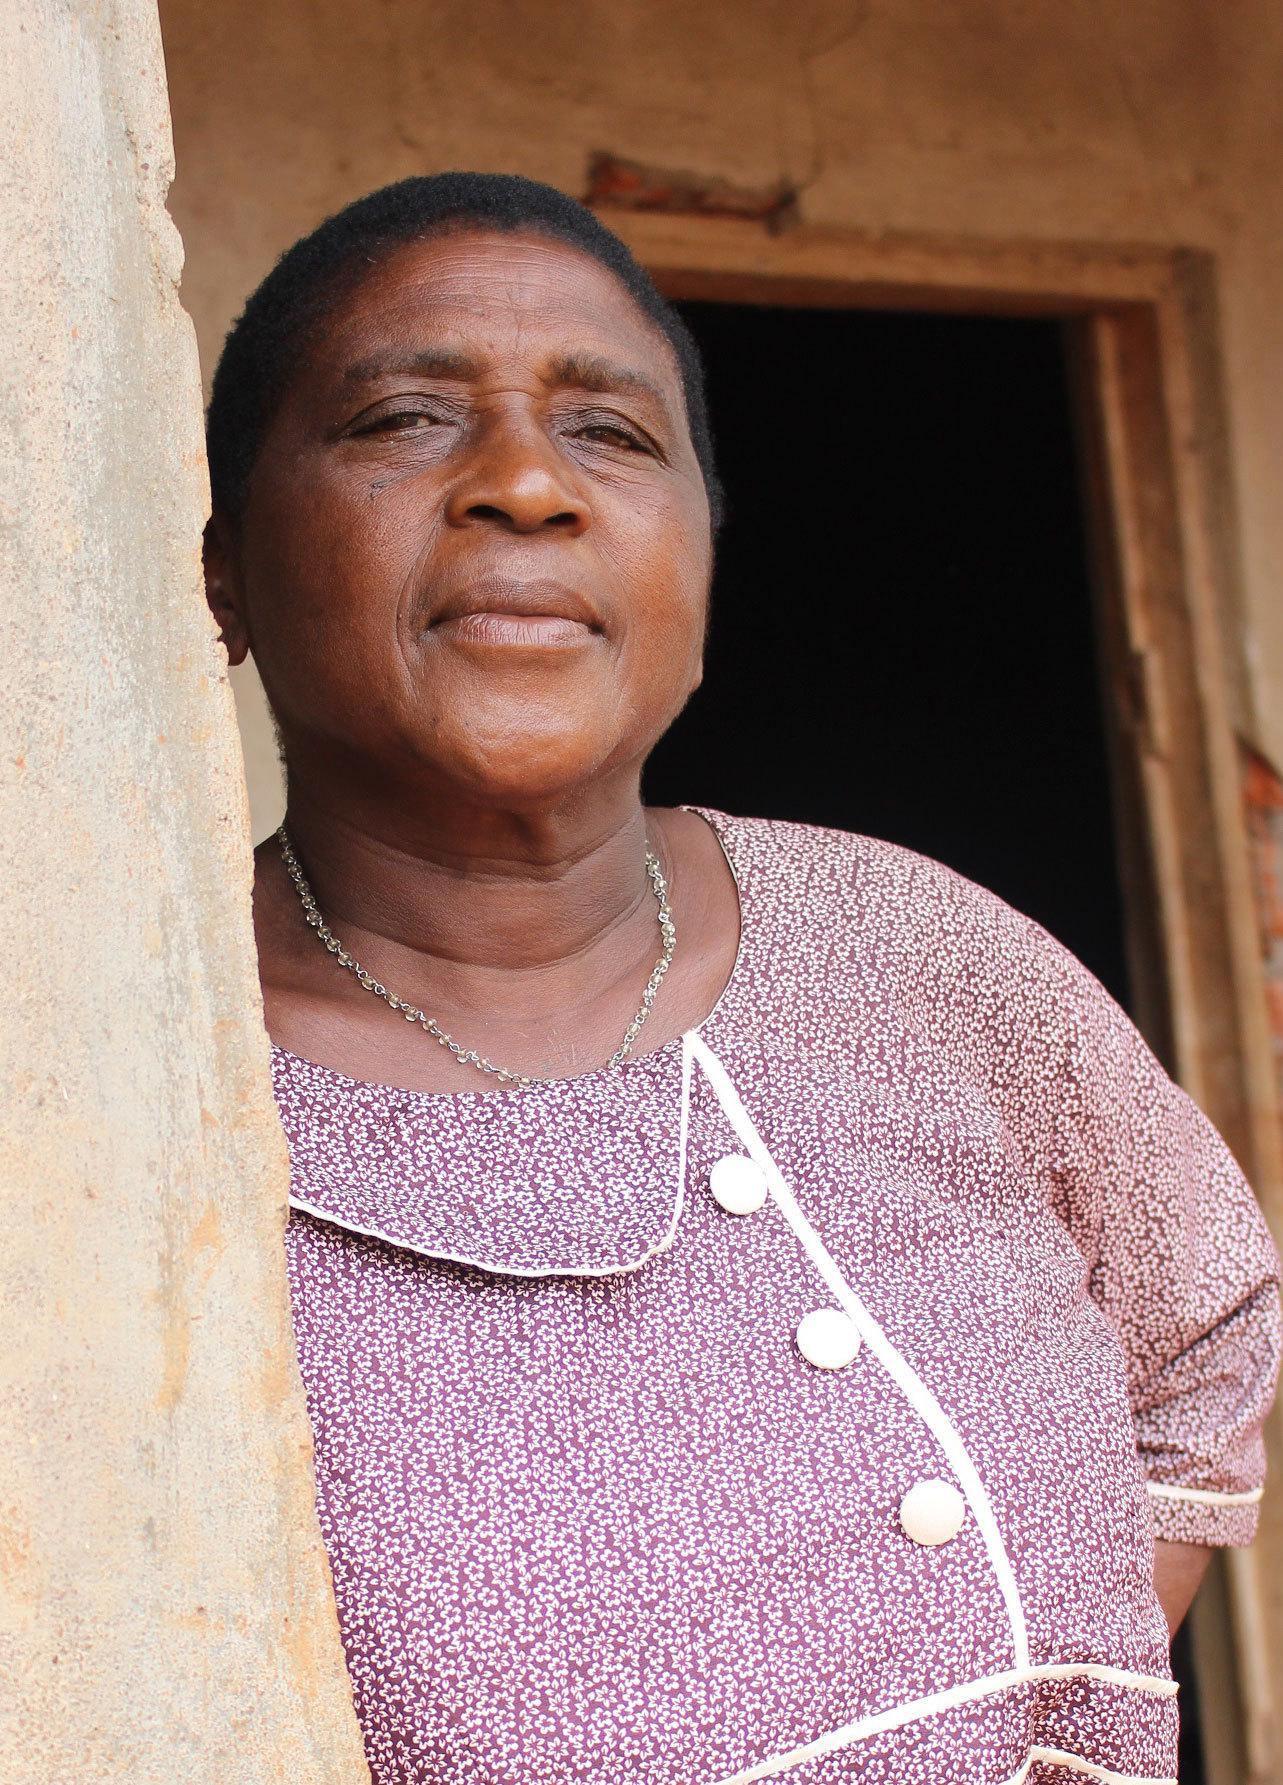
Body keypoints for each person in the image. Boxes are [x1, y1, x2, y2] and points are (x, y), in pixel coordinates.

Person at [204, 173, 1281, 1785]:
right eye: (405, 419)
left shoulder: (914, 952)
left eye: (615, 434)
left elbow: (1207, 1326)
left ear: (700, 552)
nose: (522, 484)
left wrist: (1058, 1716)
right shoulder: (161, 1108)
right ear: (223, 571)